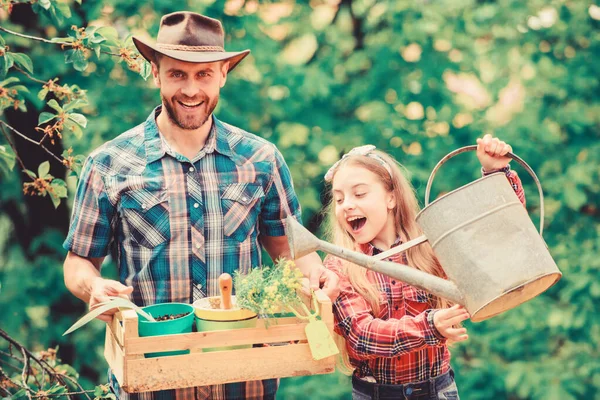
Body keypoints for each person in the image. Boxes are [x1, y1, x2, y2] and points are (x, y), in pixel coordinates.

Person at [62, 11, 338, 400]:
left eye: (204, 74)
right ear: (155, 73)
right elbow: (78, 262)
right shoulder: (109, 164)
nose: (191, 90)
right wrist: (92, 286)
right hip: (151, 381)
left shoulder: (260, 159)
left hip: (245, 380)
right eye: (177, 74)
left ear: (223, 73)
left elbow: (288, 250)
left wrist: (316, 276)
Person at [322, 135, 526, 399]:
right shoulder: (340, 265)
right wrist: (429, 326)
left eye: (359, 193)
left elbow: (496, 231)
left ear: (391, 198)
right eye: (339, 199)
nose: (347, 204)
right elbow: (362, 336)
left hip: (437, 391)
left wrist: (496, 171)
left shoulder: (430, 246)